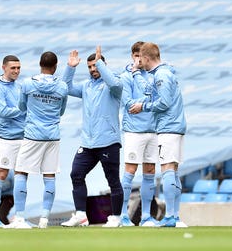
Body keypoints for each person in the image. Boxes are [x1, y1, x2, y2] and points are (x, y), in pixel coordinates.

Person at [60, 46, 124, 228]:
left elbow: (115, 85)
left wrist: (101, 65)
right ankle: (81, 215)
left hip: (108, 142)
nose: (93, 69)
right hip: (88, 143)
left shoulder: (113, 85)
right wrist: (70, 68)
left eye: (95, 66)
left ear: (103, 65)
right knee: (76, 174)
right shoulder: (86, 86)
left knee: (112, 180)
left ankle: (116, 217)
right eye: (90, 67)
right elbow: (66, 87)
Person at [6, 51, 68, 229]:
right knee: (49, 176)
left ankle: (19, 218)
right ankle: (44, 219)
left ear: (40, 65)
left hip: (33, 134)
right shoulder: (62, 87)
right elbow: (61, 111)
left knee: (20, 172)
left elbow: (21, 106)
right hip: (52, 136)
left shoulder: (27, 84)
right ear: (55, 67)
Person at [129, 42, 187, 228]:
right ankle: (175, 216)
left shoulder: (161, 75)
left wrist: (143, 107)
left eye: (141, 59)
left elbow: (163, 103)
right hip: (175, 126)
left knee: (168, 169)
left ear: (146, 58)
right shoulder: (163, 73)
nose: (141, 62)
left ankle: (170, 215)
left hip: (168, 127)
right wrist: (136, 73)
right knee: (174, 170)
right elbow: (149, 91)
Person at [118, 42, 158, 227]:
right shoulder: (126, 77)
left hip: (153, 130)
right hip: (134, 131)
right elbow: (128, 103)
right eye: (136, 56)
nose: (139, 59)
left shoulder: (155, 75)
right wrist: (150, 101)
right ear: (132, 56)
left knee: (150, 171)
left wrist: (144, 103)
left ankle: (146, 216)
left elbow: (161, 99)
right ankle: (123, 215)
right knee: (130, 171)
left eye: (142, 56)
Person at [0, 54, 25, 227]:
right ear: (4, 68)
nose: (16, 71)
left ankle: (20, 217)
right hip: (7, 137)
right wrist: (24, 110)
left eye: (18, 68)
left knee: (21, 175)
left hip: (24, 137)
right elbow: (3, 111)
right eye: (13, 68)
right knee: (1, 174)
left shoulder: (20, 86)